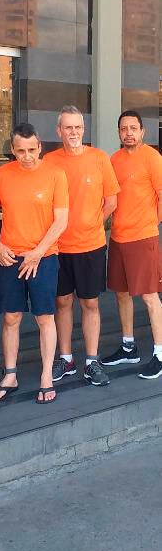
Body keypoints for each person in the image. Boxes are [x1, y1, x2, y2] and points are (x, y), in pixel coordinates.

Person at [0, 123, 69, 404]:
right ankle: (10, 374)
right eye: (21, 151)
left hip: (43, 257)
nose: (27, 156)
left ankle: (46, 375)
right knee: (11, 317)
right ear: (12, 150)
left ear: (40, 147)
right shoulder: (2, 175)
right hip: (10, 257)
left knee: (45, 317)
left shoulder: (55, 174)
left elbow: (61, 220)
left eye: (32, 150)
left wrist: (37, 252)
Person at [44, 106, 119, 386]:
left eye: (77, 127)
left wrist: (92, 223)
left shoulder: (99, 159)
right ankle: (66, 359)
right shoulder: (49, 162)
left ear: (83, 130)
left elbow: (111, 201)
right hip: (58, 247)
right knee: (61, 302)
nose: (73, 132)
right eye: (68, 127)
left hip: (91, 245)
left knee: (90, 302)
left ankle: (91, 360)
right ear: (59, 131)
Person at [102, 110, 162, 379]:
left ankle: (159, 354)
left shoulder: (152, 157)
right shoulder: (113, 160)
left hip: (143, 237)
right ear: (119, 132)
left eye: (133, 128)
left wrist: (149, 224)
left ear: (142, 132)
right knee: (122, 293)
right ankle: (129, 347)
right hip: (118, 238)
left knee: (150, 297)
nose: (128, 133)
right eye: (123, 128)